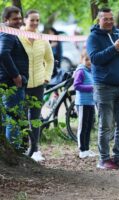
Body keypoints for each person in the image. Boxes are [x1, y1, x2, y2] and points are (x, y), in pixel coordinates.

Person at [86, 8, 119, 170]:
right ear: (99, 20)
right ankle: (104, 159)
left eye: (111, 18)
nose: (109, 21)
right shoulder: (93, 38)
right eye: (105, 19)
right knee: (106, 125)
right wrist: (114, 48)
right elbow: (95, 59)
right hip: (104, 87)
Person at [19, 9, 54, 161]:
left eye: (37, 20)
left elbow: (50, 60)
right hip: (22, 84)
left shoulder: (42, 39)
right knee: (21, 116)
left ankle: (35, 150)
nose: (34, 23)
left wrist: (46, 77)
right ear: (25, 20)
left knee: (35, 117)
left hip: (38, 84)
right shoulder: (17, 36)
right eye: (32, 20)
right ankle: (22, 147)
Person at [0, 6, 29, 146]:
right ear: (6, 20)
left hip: (7, 82)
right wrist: (16, 75)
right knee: (13, 120)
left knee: (7, 120)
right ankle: (14, 154)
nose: (19, 21)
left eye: (20, 18)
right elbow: (3, 53)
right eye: (15, 19)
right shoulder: (8, 33)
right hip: (12, 84)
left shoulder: (6, 32)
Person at [73, 50, 97, 159]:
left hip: (91, 102)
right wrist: (91, 88)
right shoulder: (81, 71)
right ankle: (82, 149)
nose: (89, 62)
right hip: (82, 103)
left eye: (91, 60)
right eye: (86, 59)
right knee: (82, 127)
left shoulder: (91, 71)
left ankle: (87, 148)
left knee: (88, 126)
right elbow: (77, 86)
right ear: (82, 60)